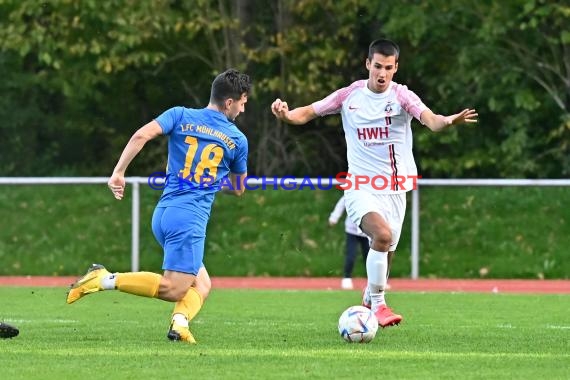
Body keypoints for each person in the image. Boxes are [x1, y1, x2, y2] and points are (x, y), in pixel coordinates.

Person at [271, 39, 477, 328]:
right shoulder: (349, 96)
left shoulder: (403, 97)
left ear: (396, 68)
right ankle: (379, 305)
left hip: (395, 189)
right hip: (360, 186)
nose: (382, 73)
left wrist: (450, 121)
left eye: (388, 68)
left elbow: (431, 120)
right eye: (377, 66)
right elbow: (308, 112)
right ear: (368, 64)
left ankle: (369, 298)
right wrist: (286, 114)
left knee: (386, 251)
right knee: (381, 236)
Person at [66, 68, 252, 343]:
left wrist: (118, 172)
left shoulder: (179, 114)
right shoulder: (237, 139)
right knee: (173, 289)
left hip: (164, 214)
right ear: (229, 102)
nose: (243, 109)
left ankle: (179, 325)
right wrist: (213, 181)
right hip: (189, 219)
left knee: (201, 283)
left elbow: (141, 136)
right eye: (243, 102)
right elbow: (238, 189)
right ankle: (104, 278)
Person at [328, 195, 369, 290]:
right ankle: (347, 278)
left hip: (368, 232)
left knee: (370, 257)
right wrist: (334, 218)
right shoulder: (351, 193)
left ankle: (375, 281)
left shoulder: (372, 194)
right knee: (351, 255)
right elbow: (341, 204)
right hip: (352, 231)